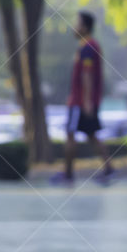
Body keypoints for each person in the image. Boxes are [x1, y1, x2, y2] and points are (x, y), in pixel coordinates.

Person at [51, 10, 114, 185]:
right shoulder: (86, 46)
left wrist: (85, 101)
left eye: (77, 23)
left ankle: (68, 174)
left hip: (81, 102)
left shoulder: (88, 47)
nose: (74, 27)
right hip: (82, 100)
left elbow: (87, 75)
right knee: (92, 135)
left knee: (70, 134)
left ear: (84, 27)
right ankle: (109, 170)